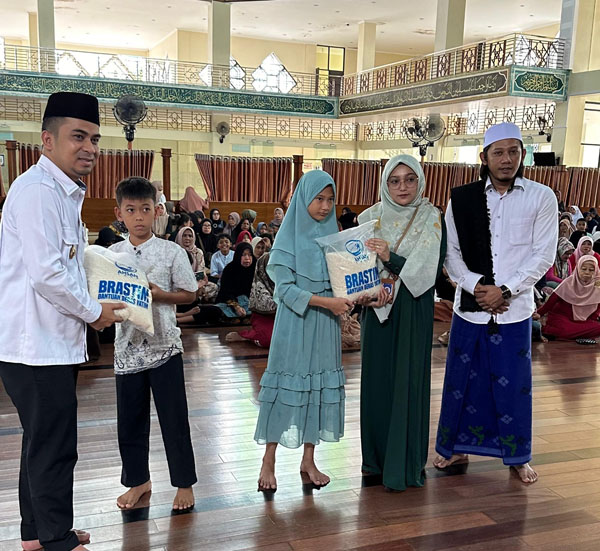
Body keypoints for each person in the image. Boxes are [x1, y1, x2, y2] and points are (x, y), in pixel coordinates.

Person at [0, 91, 124, 551]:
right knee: (53, 446)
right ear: (47, 140)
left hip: (44, 342)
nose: (89, 147)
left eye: (94, 138)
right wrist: (94, 313)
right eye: (78, 136)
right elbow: (47, 273)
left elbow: (65, 266)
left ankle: (36, 534)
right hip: (35, 345)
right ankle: (56, 540)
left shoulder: (61, 191)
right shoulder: (38, 191)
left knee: (41, 442)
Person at [433, 122, 557, 484]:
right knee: (462, 382)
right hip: (469, 309)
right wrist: (478, 287)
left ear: (522, 155)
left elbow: (543, 255)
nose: (507, 160)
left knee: (513, 384)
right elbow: (450, 255)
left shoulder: (542, 197)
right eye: (498, 152)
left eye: (514, 152)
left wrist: (505, 289)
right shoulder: (463, 199)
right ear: (483, 157)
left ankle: (516, 455)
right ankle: (455, 446)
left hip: (514, 311)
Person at [254, 171, 353, 492]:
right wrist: (330, 304)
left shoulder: (334, 239)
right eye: (318, 199)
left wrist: (356, 295)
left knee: (319, 387)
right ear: (302, 199)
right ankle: (268, 458)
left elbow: (343, 283)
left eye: (330, 199)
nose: (325, 207)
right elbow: (286, 292)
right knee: (286, 386)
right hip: (295, 325)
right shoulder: (286, 240)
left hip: (325, 326)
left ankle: (309, 459)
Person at [356, 154, 446, 491]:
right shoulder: (369, 218)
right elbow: (354, 268)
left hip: (412, 310)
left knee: (408, 382)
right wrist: (365, 291)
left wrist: (388, 256)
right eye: (395, 180)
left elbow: (427, 271)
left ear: (421, 181)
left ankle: (404, 465)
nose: (403, 186)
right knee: (377, 383)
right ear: (384, 183)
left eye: (410, 179)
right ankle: (375, 460)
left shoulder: (431, 218)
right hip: (376, 310)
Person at [109, 177, 198, 512]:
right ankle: (138, 481)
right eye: (131, 210)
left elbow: (189, 295)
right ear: (120, 213)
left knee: (174, 419)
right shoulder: (112, 254)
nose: (139, 217)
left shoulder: (171, 251)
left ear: (157, 211)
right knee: (130, 421)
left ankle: (184, 482)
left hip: (165, 349)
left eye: (145, 209)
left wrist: (161, 295)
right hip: (126, 351)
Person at [537, 255, 600, 341]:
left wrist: (591, 322)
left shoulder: (598, 285)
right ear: (578, 269)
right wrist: (539, 313)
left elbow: (598, 308)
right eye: (584, 269)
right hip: (563, 317)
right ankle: (553, 331)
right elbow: (551, 302)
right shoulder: (569, 282)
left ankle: (574, 334)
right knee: (565, 330)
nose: (587, 272)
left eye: (591, 270)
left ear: (596, 271)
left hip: (583, 321)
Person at [226, 252, 277, 348]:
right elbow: (226, 293)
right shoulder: (260, 281)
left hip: (286, 316)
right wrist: (236, 306)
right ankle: (248, 336)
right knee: (269, 339)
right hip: (265, 316)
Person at [214, 242, 257, 322]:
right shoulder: (230, 269)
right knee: (218, 310)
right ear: (238, 255)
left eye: (250, 255)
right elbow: (225, 292)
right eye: (243, 255)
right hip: (230, 302)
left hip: (249, 303)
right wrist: (236, 307)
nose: (247, 258)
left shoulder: (256, 268)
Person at [174, 227, 218, 303]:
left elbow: (200, 271)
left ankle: (195, 298)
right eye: (184, 235)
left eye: (190, 236)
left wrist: (198, 283)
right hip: (179, 284)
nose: (187, 238)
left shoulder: (198, 252)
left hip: (196, 282)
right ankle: (198, 298)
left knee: (214, 287)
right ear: (180, 236)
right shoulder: (174, 251)